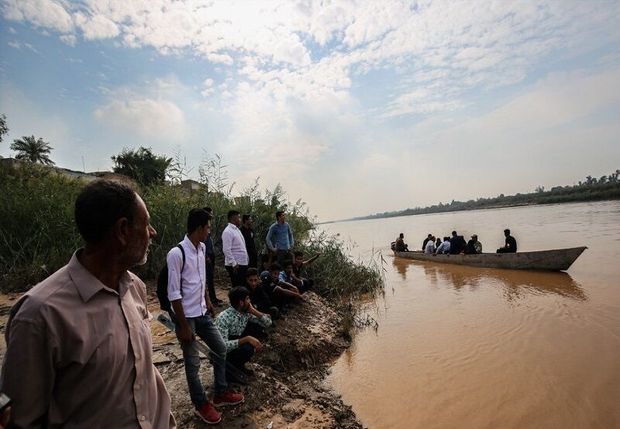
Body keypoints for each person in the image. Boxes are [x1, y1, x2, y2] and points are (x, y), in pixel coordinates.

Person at [0, 179, 175, 428]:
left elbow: (141, 368)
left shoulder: (134, 287)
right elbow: (23, 420)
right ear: (122, 230)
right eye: (146, 225)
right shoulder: (40, 314)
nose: (152, 233)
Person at [167, 208, 243, 425]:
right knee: (193, 364)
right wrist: (182, 326)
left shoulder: (201, 250)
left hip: (202, 312)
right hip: (186, 318)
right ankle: (201, 404)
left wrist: (208, 301)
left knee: (220, 348)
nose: (210, 232)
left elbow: (201, 282)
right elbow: (174, 293)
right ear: (199, 228)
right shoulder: (177, 253)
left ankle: (220, 392)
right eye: (208, 227)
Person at [215, 287, 272, 384]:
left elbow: (268, 323)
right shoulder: (224, 318)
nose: (250, 301)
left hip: (235, 343)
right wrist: (247, 339)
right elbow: (222, 347)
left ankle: (239, 366)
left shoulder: (246, 313)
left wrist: (254, 311)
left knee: (256, 328)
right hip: (222, 354)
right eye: (247, 299)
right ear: (241, 302)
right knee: (247, 347)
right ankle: (229, 373)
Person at [222, 210, 249, 287]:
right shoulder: (228, 231)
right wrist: (233, 263)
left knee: (242, 285)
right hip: (236, 265)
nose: (240, 220)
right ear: (233, 219)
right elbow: (226, 249)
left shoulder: (237, 230)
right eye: (239, 218)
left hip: (242, 263)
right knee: (237, 286)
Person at [203, 207, 223, 306]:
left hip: (211, 254)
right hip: (207, 256)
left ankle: (213, 298)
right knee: (207, 279)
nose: (212, 215)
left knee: (211, 279)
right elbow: (202, 243)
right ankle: (211, 300)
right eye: (210, 213)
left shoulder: (208, 225)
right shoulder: (202, 226)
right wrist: (206, 256)